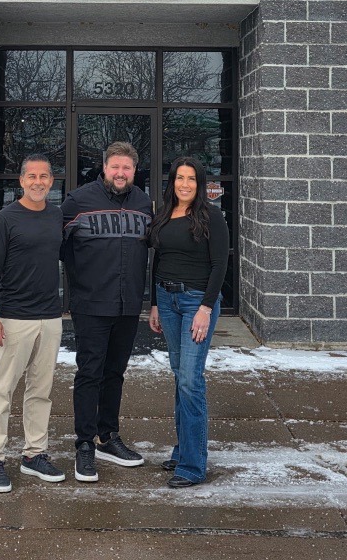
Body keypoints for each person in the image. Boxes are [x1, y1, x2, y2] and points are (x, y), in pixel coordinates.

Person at [62, 141, 153, 482]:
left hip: (128, 305)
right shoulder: (77, 201)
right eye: (115, 166)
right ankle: (85, 444)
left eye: (126, 167)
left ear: (134, 170)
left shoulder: (144, 203)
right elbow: (55, 246)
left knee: (115, 373)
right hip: (90, 305)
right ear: (104, 167)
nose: (120, 172)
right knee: (90, 374)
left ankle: (107, 436)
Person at [0, 154, 65, 493]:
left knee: (41, 391)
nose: (38, 182)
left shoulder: (56, 216)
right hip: (14, 318)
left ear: (51, 181)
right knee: (2, 392)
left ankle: (34, 454)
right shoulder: (4, 219)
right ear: (21, 181)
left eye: (44, 176)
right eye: (32, 176)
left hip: (50, 317)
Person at [148, 156, 229, 488]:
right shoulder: (165, 214)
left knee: (190, 381)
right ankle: (183, 451)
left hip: (196, 302)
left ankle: (194, 466)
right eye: (179, 178)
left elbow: (220, 265)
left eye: (191, 179)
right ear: (172, 182)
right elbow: (158, 259)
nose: (185, 184)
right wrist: (154, 304)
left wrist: (206, 308)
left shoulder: (212, 216)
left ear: (200, 183)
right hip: (166, 300)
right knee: (180, 375)